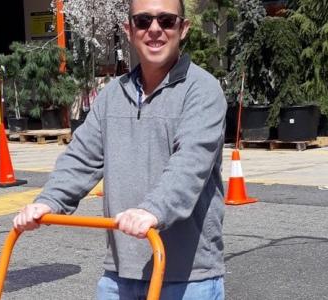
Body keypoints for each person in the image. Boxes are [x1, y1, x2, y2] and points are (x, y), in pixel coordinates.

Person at [13, 0, 226, 298]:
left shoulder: (202, 90)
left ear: (184, 28)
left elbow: (190, 164)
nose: (154, 30)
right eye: (143, 21)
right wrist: (49, 201)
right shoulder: (113, 95)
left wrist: (152, 211)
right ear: (128, 30)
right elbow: (82, 157)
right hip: (119, 276)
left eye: (166, 20)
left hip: (187, 278)